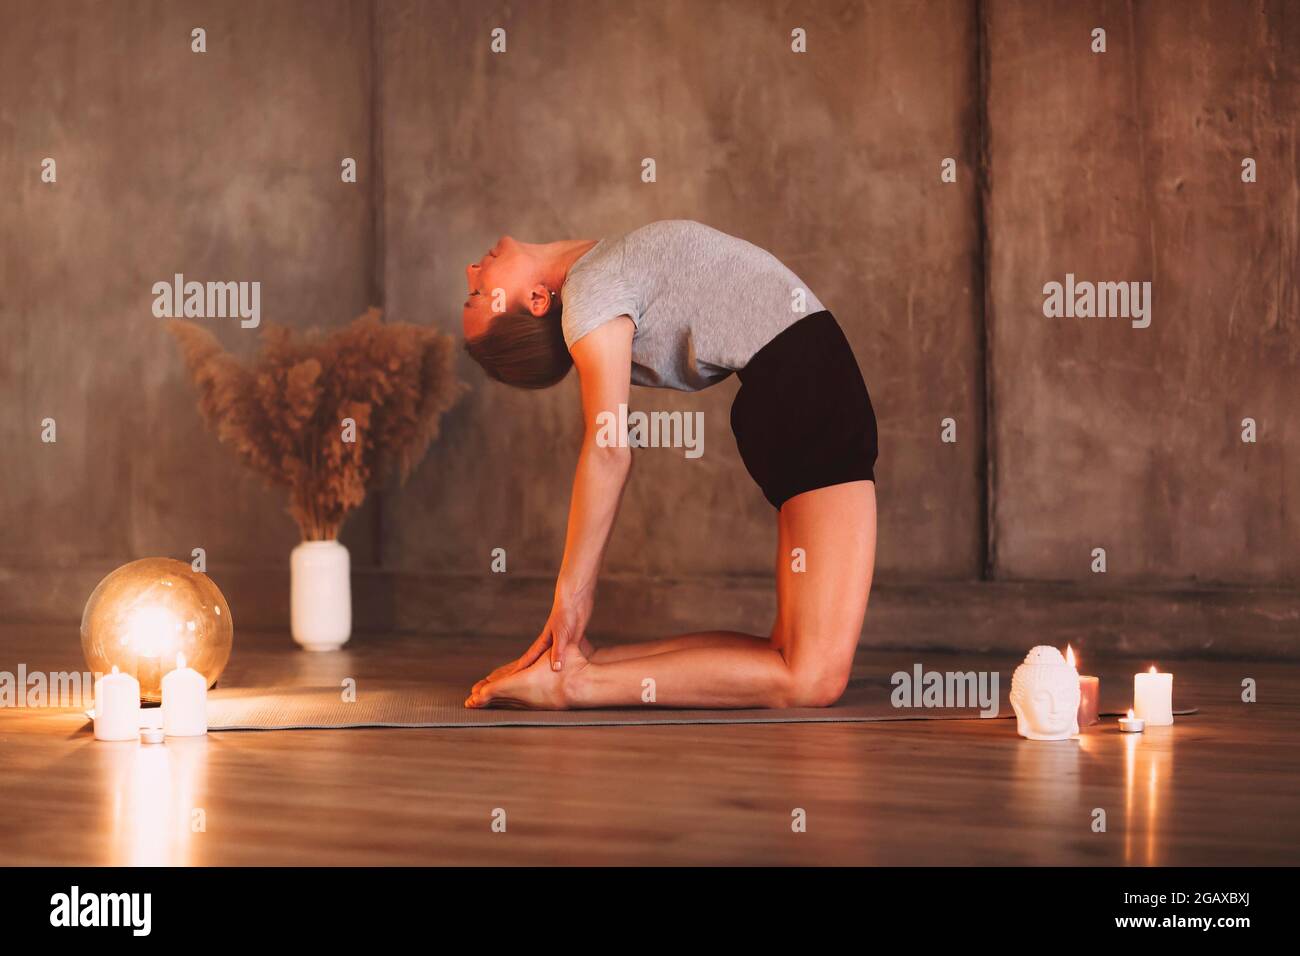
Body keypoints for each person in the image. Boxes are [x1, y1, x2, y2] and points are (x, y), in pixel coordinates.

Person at [460, 220, 877, 709]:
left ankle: (584, 664)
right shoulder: (591, 294)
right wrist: (572, 596)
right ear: (536, 300)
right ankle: (574, 683)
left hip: (798, 391)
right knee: (812, 678)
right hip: (807, 391)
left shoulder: (596, 273)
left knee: (791, 653)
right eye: (478, 295)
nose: (472, 272)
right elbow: (608, 445)